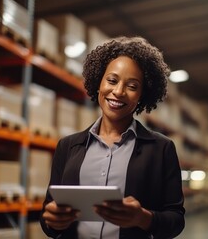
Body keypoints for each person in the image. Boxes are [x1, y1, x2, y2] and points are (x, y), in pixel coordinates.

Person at [40, 36, 185, 239]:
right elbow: (48, 216)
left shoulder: (161, 148)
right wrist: (53, 222)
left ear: (142, 95)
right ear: (99, 82)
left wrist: (142, 218)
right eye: (112, 80)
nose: (118, 92)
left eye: (132, 86)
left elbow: (176, 221)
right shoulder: (68, 146)